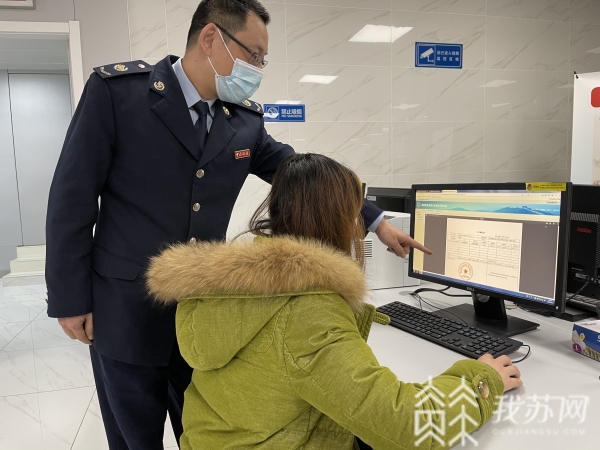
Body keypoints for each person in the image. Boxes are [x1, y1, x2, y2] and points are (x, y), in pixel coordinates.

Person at [45, 1, 430, 448]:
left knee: (202, 430)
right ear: (211, 38)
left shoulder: (242, 121)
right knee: (134, 438)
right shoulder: (119, 94)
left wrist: (375, 219)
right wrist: (69, 299)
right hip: (124, 310)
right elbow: (71, 200)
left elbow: (300, 171)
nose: (258, 68)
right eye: (253, 55)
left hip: (204, 314)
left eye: (263, 59)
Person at [147, 153, 523, 450]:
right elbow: (407, 425)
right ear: (339, 220)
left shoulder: (238, 282)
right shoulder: (307, 310)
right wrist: (481, 381)